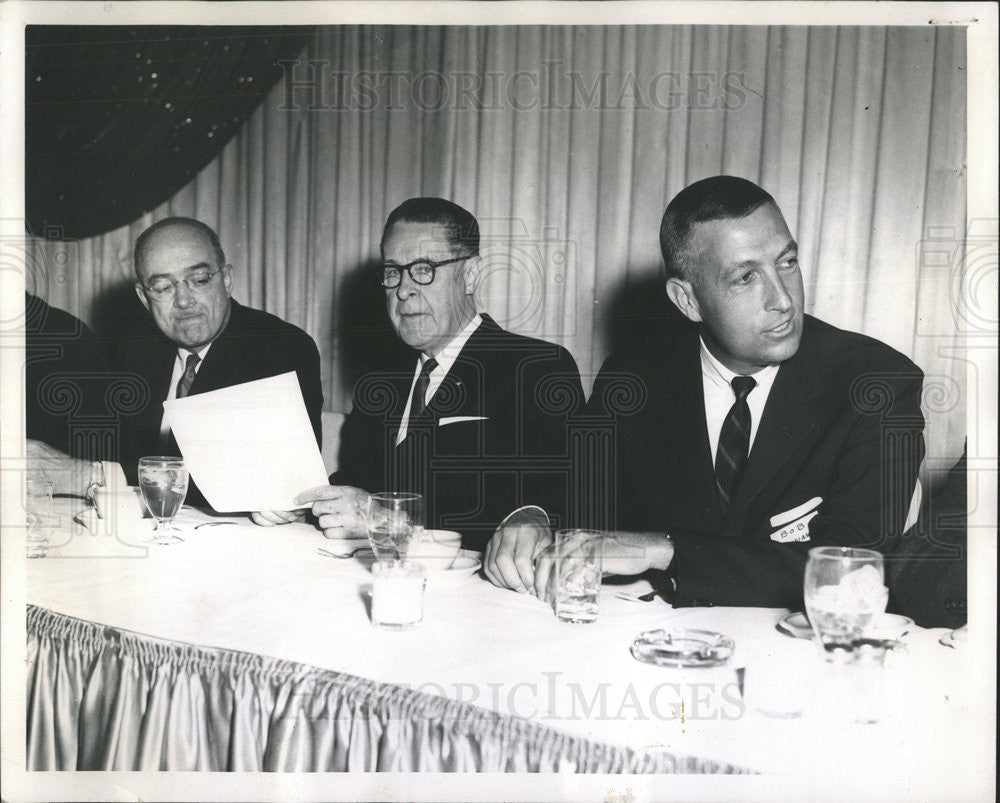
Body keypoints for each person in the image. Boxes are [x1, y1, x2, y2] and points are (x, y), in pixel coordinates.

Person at [484, 176, 925, 608]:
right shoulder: (632, 379)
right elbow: (575, 498)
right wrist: (531, 517)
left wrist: (664, 550)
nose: (784, 300)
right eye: (746, 278)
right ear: (687, 301)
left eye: (786, 263)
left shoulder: (877, 383)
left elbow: (851, 567)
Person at [260, 198, 583, 551]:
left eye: (424, 269)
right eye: (392, 271)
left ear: (471, 275)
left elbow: (549, 514)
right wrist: (301, 502)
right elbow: (358, 485)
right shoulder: (382, 376)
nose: (403, 289)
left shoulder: (537, 368)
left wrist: (388, 520)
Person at [112, 217, 323, 504]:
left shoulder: (280, 348)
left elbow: (260, 482)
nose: (184, 301)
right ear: (143, 297)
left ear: (226, 280)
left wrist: (100, 475)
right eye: (163, 287)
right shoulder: (131, 354)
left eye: (199, 280)